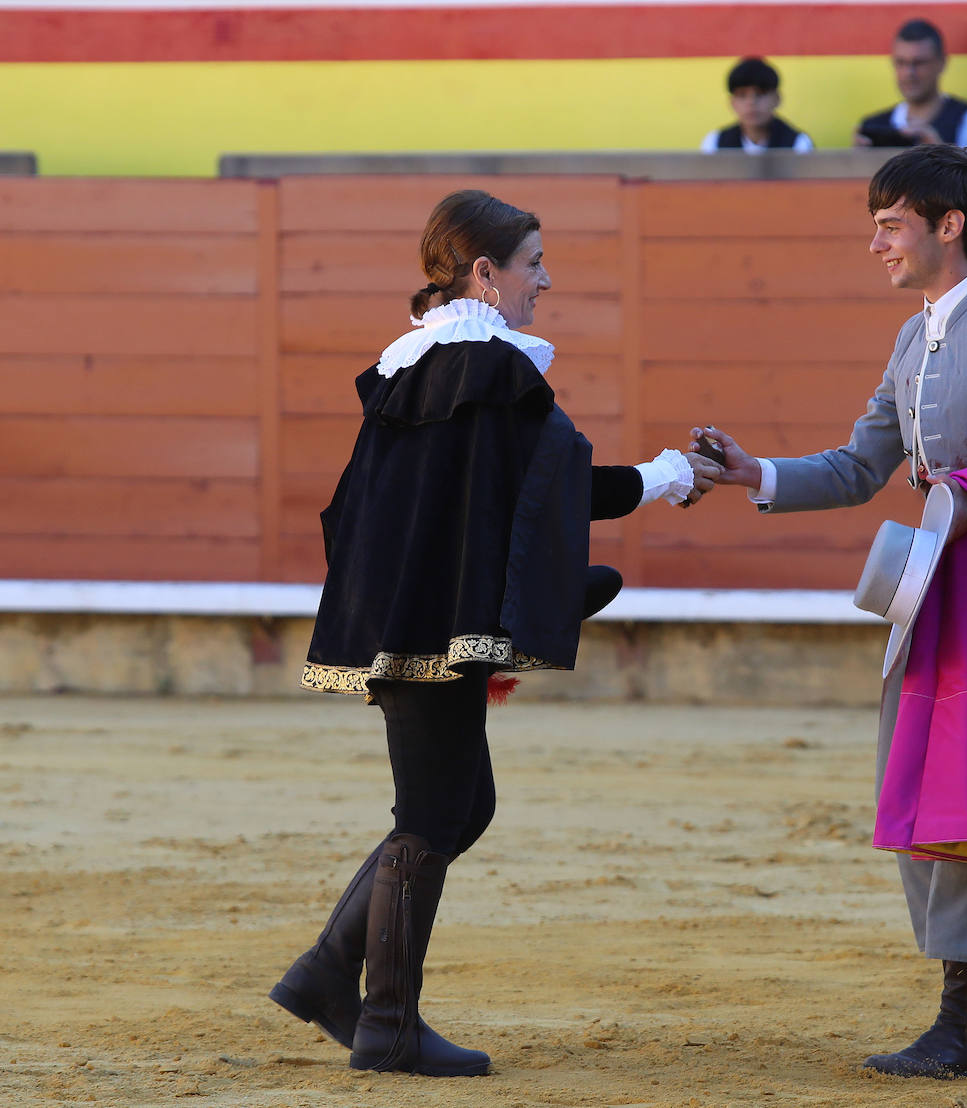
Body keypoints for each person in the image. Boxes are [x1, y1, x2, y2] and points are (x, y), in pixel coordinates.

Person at [692, 145, 967, 1080]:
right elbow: (859, 468)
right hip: (932, 590)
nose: (877, 245)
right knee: (922, 786)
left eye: (891, 225)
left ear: (949, 224)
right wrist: (751, 474)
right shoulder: (910, 337)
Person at [270, 189, 722, 1078]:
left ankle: (330, 975)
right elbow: (561, 488)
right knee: (437, 813)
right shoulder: (489, 365)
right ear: (486, 270)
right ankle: (386, 1021)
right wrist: (672, 473)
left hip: (405, 619)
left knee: (457, 807)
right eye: (534, 262)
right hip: (437, 629)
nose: (543, 280)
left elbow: (468, 509)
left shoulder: (412, 363)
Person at [854, 19, 967, 151]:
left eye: (919, 63)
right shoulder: (873, 125)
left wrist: (940, 153)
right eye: (901, 63)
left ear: (942, 63)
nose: (909, 73)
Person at [701, 56, 814, 153]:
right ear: (732, 103)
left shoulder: (798, 144)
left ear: (777, 99)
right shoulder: (715, 143)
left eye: (760, 94)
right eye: (742, 95)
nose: (751, 102)